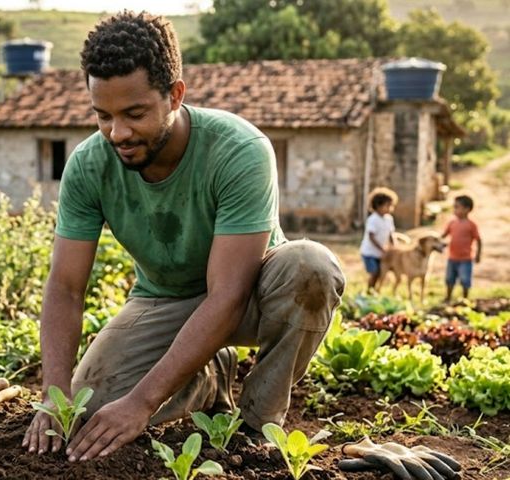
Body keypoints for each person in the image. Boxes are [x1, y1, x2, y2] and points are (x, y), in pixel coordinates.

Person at [22, 11, 345, 462]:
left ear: (175, 95)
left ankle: (257, 422)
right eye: (103, 116)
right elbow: (65, 287)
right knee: (90, 409)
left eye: (135, 114)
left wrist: (142, 403)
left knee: (311, 267)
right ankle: (209, 374)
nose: (118, 133)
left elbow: (227, 293)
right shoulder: (89, 166)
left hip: (251, 294)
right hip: (164, 300)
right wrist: (54, 400)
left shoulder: (237, 150)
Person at [442, 195, 481, 302]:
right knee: (449, 279)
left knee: (465, 280)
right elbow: (443, 236)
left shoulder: (471, 225)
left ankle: (465, 299)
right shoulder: (452, 223)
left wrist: (478, 254)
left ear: (467, 209)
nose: (454, 210)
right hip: (452, 257)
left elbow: (478, 240)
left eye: (457, 207)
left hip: (465, 259)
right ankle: (448, 297)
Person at [359, 187, 397, 293]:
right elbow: (371, 236)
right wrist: (382, 248)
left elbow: (391, 234)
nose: (390, 208)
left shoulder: (389, 219)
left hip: (381, 253)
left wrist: (394, 246)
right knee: (374, 272)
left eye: (391, 205)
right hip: (369, 252)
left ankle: (375, 291)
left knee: (381, 273)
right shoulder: (373, 219)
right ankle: (369, 291)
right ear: (378, 206)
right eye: (387, 205)